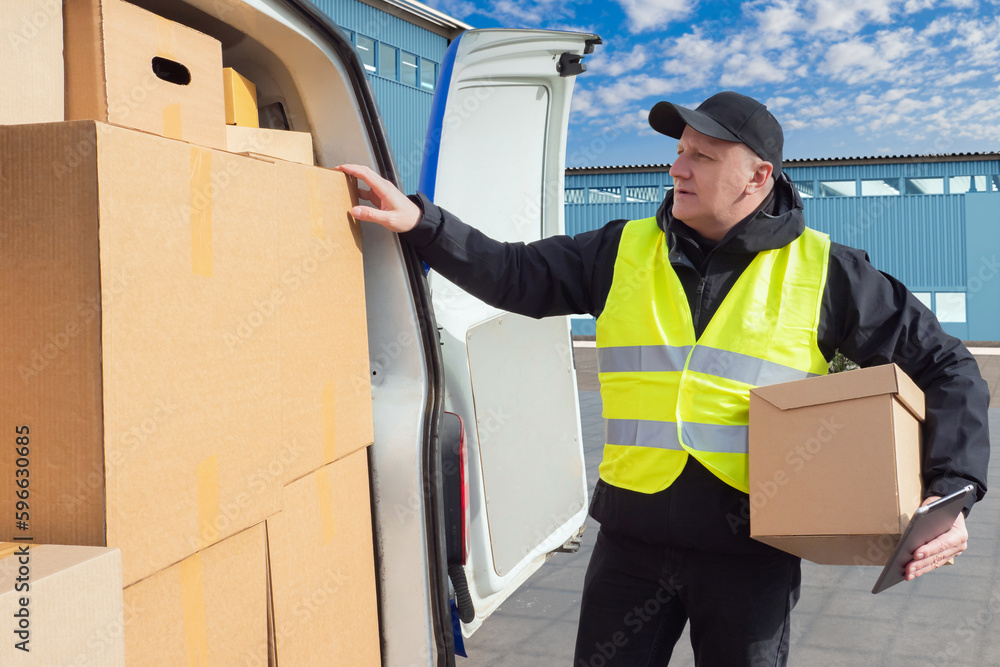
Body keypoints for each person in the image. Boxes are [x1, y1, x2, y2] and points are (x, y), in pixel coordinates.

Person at [338, 91, 990, 666]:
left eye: (703, 156)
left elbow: (944, 363)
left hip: (751, 554)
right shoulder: (620, 249)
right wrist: (423, 223)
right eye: (680, 151)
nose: (678, 167)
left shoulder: (827, 271)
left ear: (758, 176)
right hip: (632, 545)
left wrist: (952, 490)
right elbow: (513, 274)